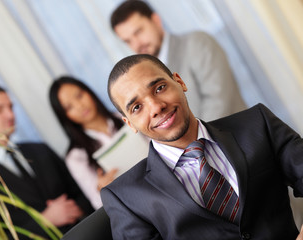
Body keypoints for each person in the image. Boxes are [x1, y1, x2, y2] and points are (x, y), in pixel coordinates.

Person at [101, 54, 303, 239]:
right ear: (130, 123)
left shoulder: (257, 124)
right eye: (137, 107)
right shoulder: (125, 197)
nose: (156, 107)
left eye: (159, 88)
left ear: (180, 82)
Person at [0, 85, 94, 239]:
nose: (10, 115)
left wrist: (74, 209)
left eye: (10, 107)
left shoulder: (41, 150)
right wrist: (44, 221)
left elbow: (83, 191)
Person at [110, 0, 246, 121]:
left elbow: (219, 100)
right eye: (128, 40)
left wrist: (194, 145)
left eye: (138, 32)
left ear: (156, 21)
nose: (137, 44)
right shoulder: (145, 75)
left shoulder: (197, 43)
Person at [49, 76, 123, 210]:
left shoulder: (124, 116)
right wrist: (101, 190)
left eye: (79, 96)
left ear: (88, 92)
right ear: (64, 116)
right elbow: (97, 204)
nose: (79, 106)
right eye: (69, 107)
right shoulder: (76, 156)